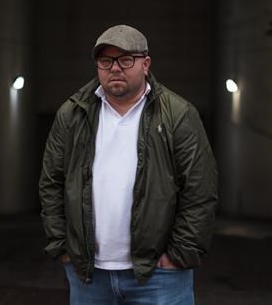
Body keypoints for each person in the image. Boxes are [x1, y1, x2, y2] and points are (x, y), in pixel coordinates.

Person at [39, 24, 218, 304]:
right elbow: (51, 182)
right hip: (89, 275)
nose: (115, 68)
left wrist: (179, 253)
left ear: (145, 64)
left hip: (160, 276)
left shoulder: (178, 115)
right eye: (106, 60)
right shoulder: (72, 114)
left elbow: (200, 189)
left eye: (125, 60)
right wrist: (62, 245)